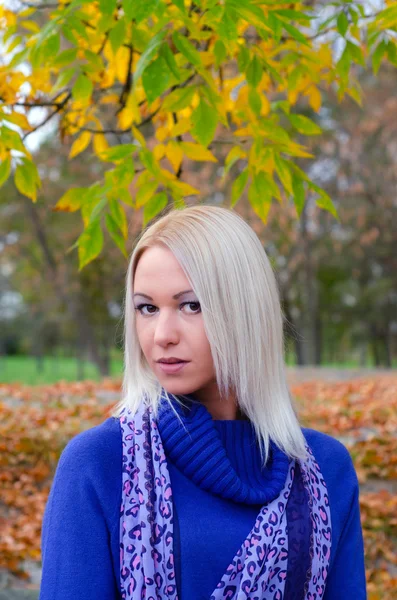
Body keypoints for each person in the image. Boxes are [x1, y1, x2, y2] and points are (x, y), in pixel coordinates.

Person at [39, 204, 367, 599]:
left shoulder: (324, 470)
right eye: (147, 308)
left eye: (191, 305)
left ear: (245, 311)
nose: (162, 334)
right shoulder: (100, 463)